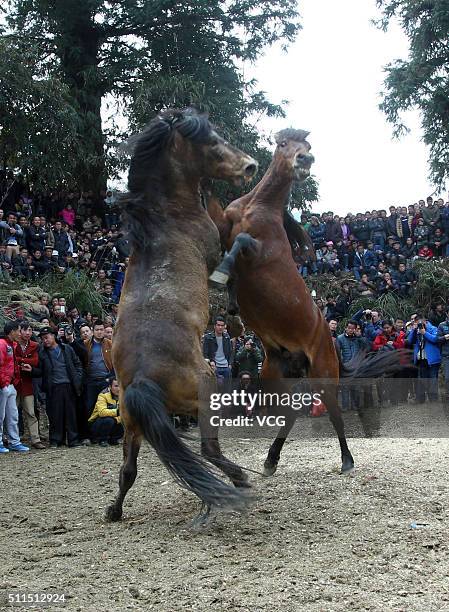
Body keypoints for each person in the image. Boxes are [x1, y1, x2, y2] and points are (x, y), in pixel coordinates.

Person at [37, 327, 83, 447]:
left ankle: (73, 440)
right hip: (53, 386)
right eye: (42, 339)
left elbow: (77, 364)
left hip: (69, 385)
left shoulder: (66, 348)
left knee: (71, 414)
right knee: (55, 414)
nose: (45, 341)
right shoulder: (42, 353)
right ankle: (56, 440)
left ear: (53, 336)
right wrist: (31, 370)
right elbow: (40, 371)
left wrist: (77, 378)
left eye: (46, 337)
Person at [0, 321, 29, 453]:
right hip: (3, 385)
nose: (20, 333)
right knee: (1, 415)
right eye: (18, 330)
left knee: (13, 415)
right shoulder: (2, 344)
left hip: (11, 384)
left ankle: (14, 441)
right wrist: (3, 384)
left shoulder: (12, 344)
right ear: (11, 331)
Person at [15, 321, 45, 449]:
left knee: (31, 412)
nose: (28, 333)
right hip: (14, 383)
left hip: (28, 384)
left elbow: (36, 361)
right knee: (12, 413)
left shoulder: (34, 345)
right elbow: (12, 359)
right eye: (25, 330)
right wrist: (24, 361)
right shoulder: (13, 344)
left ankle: (35, 439)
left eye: (30, 330)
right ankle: (12, 439)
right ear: (19, 331)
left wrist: (25, 364)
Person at [407, 314, 441, 403]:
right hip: (421, 359)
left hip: (432, 360)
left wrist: (424, 332)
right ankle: (420, 400)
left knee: (432, 381)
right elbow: (410, 341)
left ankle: (433, 401)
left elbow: (435, 339)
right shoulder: (416, 330)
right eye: (416, 322)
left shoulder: (433, 328)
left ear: (425, 320)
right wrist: (414, 330)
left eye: (419, 321)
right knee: (422, 381)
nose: (419, 324)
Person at [84, 320, 114, 418]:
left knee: (106, 405)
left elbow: (114, 362)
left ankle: (105, 428)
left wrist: (110, 377)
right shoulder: (86, 344)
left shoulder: (110, 344)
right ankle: (91, 430)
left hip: (105, 380)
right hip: (91, 380)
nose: (99, 332)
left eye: (101, 329)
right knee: (90, 405)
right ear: (92, 331)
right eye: (97, 330)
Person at [88, 377, 123, 446]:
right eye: (116, 386)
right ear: (110, 387)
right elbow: (102, 412)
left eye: (120, 386)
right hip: (96, 423)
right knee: (108, 420)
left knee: (125, 422)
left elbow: (126, 414)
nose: (118, 389)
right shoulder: (103, 395)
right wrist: (117, 412)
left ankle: (113, 439)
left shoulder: (123, 395)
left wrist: (116, 419)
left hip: (114, 421)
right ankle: (102, 440)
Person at [203, 316, 233, 380]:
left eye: (222, 325)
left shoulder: (227, 337)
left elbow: (231, 352)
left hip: (226, 367)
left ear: (224, 326)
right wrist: (210, 362)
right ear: (214, 326)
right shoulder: (208, 337)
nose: (220, 327)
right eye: (218, 325)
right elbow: (205, 353)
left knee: (227, 388)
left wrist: (230, 364)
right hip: (214, 367)